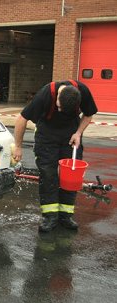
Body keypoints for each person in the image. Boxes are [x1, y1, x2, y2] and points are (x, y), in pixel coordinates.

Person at [13, 80, 98, 232]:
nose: (59, 110)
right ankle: (50, 216)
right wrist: (18, 147)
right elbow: (21, 119)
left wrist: (78, 133)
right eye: (58, 107)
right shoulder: (45, 95)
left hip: (71, 134)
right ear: (58, 97)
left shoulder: (82, 91)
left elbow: (89, 113)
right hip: (47, 136)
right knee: (48, 175)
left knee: (71, 175)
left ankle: (66, 215)